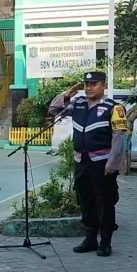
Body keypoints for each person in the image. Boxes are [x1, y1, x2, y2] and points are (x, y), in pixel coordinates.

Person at [49, 72, 127, 257]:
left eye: (94, 83)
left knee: (105, 202)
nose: (89, 87)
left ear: (104, 85)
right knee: (85, 201)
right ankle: (90, 239)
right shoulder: (79, 103)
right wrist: (65, 95)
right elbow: (54, 110)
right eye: (86, 84)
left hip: (102, 164)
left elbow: (120, 138)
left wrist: (113, 163)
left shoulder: (114, 108)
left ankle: (105, 242)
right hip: (81, 162)